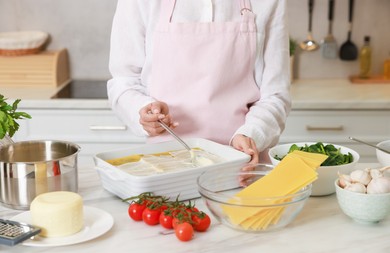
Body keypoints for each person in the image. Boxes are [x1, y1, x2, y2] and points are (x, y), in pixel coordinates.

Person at [107, 0, 291, 164]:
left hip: (241, 163)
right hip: (164, 164)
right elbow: (125, 80)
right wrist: (144, 109)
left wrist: (252, 134)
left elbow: (275, 95)